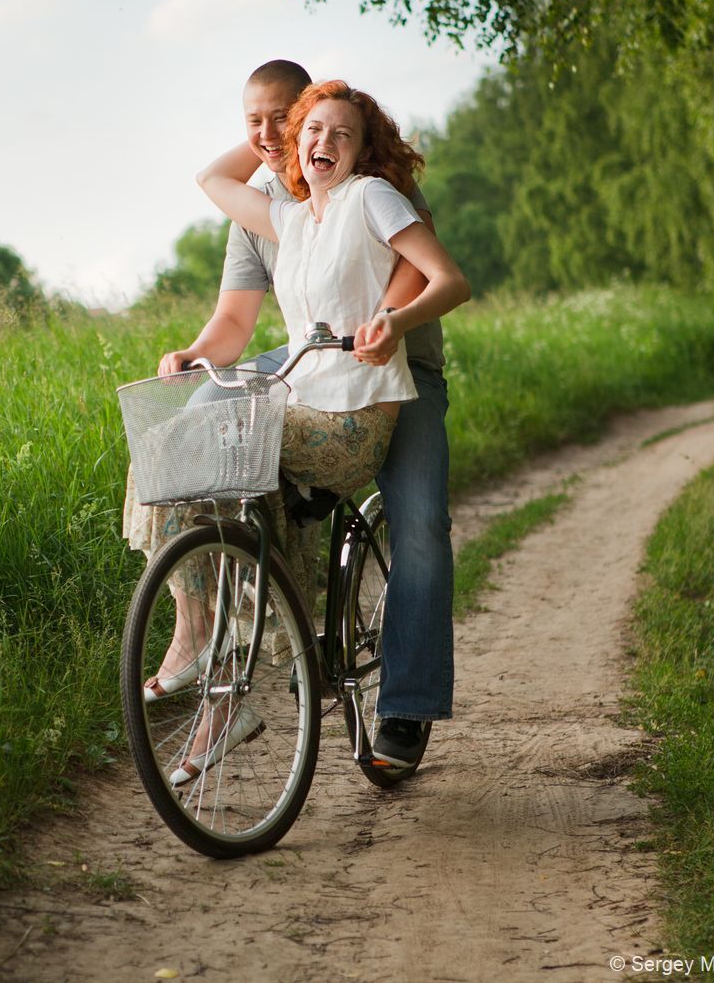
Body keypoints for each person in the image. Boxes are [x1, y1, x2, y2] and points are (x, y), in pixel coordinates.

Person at [124, 69, 469, 776]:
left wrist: (389, 324)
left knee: (421, 524)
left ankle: (404, 703)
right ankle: (236, 637)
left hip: (391, 364)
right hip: (305, 356)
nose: (271, 133)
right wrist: (194, 353)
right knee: (191, 436)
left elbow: (403, 284)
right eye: (259, 122)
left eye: (284, 118)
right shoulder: (273, 208)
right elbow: (233, 321)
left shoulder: (371, 181)